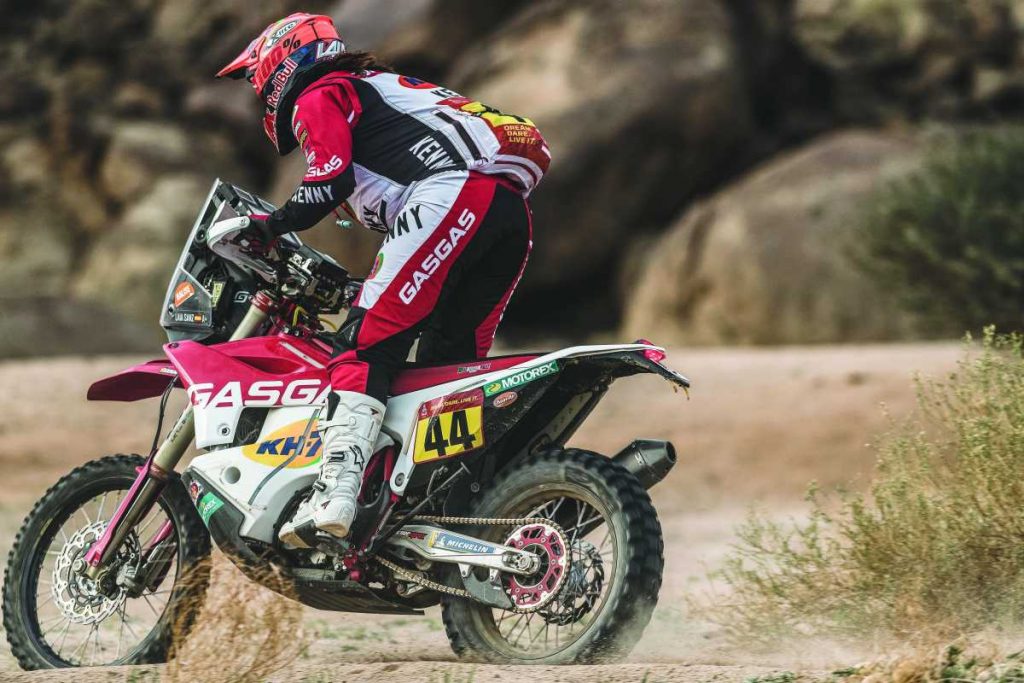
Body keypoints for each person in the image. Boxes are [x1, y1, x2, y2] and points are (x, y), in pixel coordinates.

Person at [216, 13, 549, 547]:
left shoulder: (320, 93)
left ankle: (335, 495)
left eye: (259, 83)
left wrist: (270, 227)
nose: (261, 96)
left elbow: (327, 181)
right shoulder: (376, 88)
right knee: (448, 368)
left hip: (451, 195)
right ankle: (456, 506)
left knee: (363, 345)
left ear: (281, 64)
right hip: (509, 213)